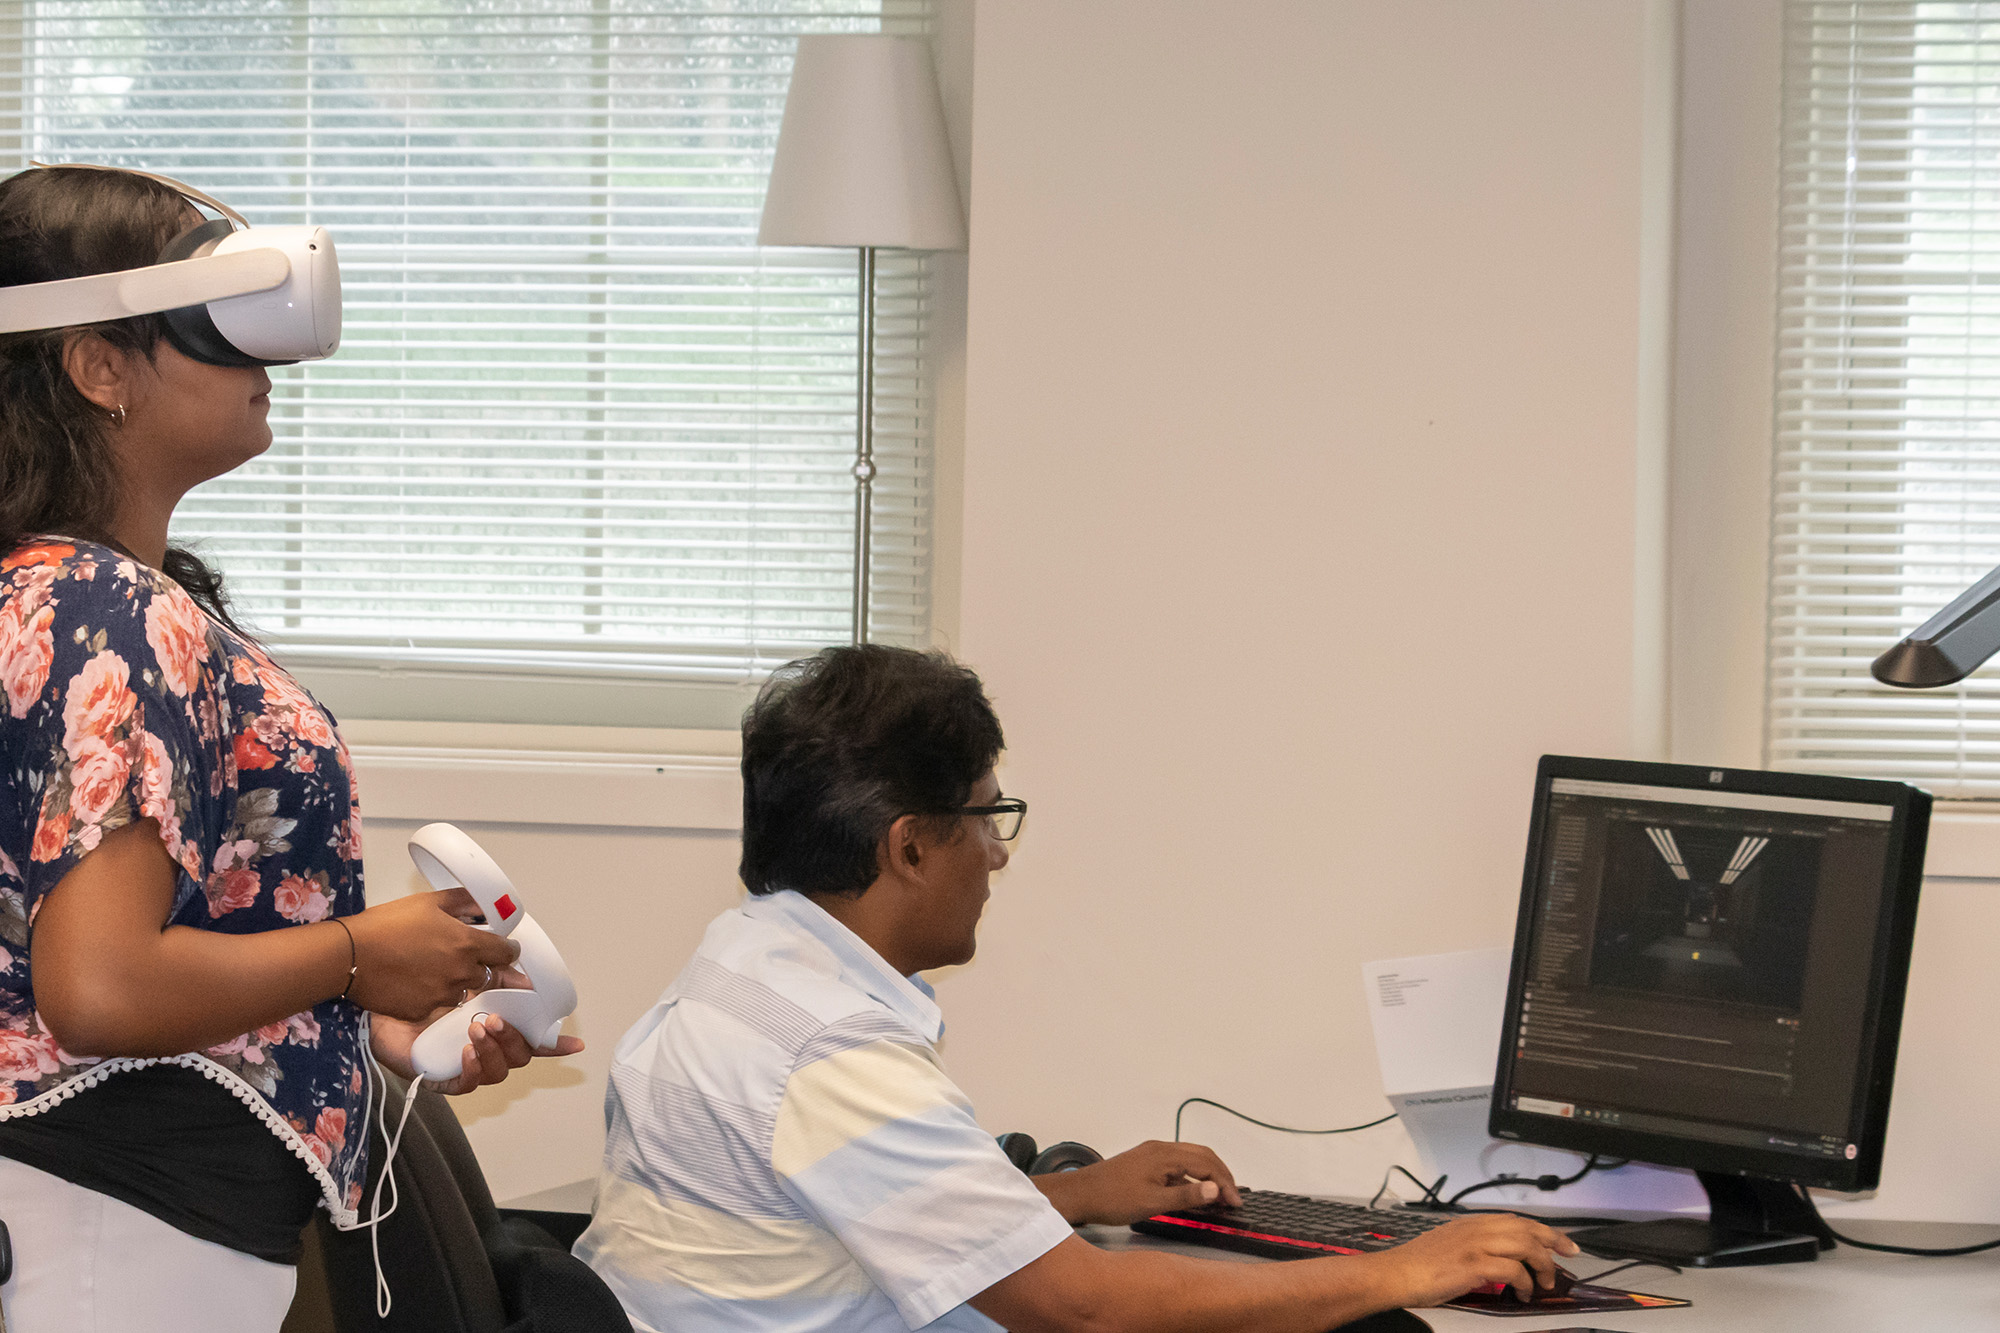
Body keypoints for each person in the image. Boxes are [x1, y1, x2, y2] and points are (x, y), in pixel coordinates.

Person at [576, 644, 1577, 1333]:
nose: (997, 853)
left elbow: (836, 1212)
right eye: (986, 816)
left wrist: (1060, 1195)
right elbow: (1085, 1309)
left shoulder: (740, 965)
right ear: (910, 847)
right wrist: (1400, 1268)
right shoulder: (832, 1049)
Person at [0, 164, 582, 1331]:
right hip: (118, 1212)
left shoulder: (68, 593)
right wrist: (357, 955)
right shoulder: (105, 608)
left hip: (123, 1208)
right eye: (213, 319)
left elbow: (145, 937)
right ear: (99, 367)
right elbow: (101, 987)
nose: (263, 356)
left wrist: (353, 1020)